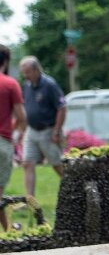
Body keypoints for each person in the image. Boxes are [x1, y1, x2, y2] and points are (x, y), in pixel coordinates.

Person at [19, 56, 66, 197]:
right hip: (32, 131)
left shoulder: (49, 84)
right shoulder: (27, 85)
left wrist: (56, 131)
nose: (25, 76)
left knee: (57, 165)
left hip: (48, 130)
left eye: (27, 72)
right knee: (27, 163)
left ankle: (75, 190)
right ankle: (30, 200)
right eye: (23, 72)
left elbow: (62, 107)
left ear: (36, 70)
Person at [0, 45, 27, 231]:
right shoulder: (10, 84)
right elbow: (22, 116)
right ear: (6, 61)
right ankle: (9, 230)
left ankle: (8, 229)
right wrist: (17, 131)